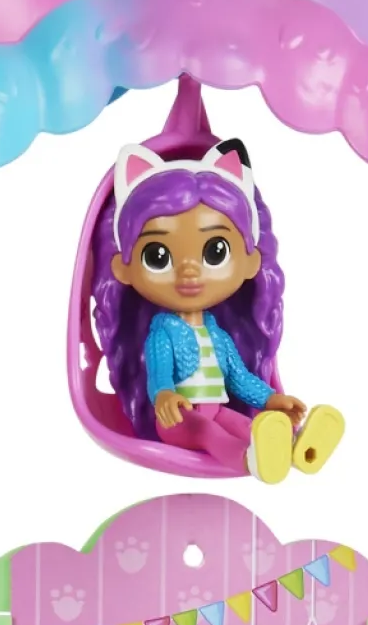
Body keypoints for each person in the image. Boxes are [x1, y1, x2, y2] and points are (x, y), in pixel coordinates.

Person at [93, 139, 344, 483]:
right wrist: (164, 396)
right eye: (158, 256)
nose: (189, 271)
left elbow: (239, 378)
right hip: (180, 421)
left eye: (215, 252)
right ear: (124, 268)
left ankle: (297, 449)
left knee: (246, 425)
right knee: (209, 433)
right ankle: (250, 460)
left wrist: (272, 400)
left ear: (250, 261)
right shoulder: (162, 333)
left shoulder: (218, 336)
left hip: (216, 411)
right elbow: (159, 375)